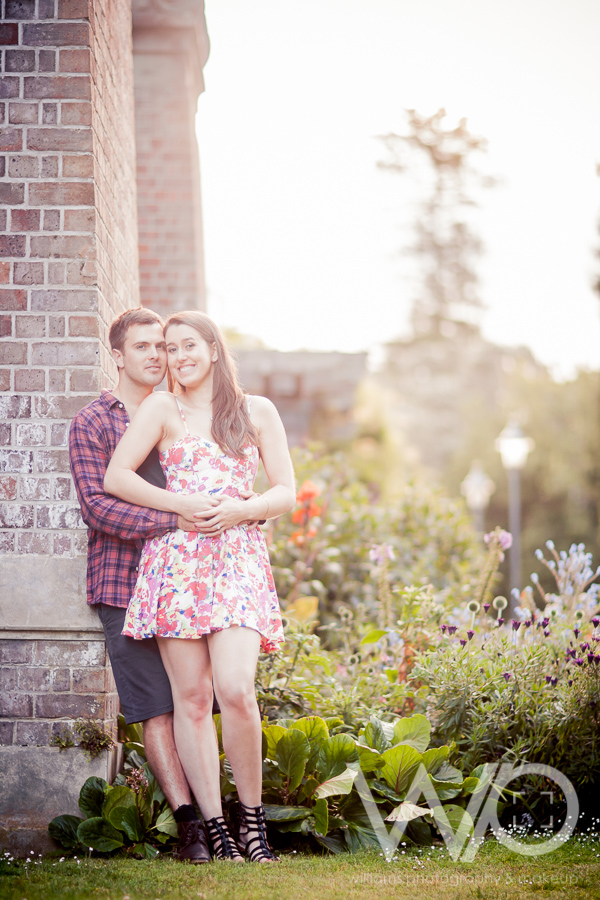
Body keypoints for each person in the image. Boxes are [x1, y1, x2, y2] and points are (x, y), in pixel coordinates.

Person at [69, 308, 263, 863]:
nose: (159, 356)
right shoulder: (95, 422)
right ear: (119, 355)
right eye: (145, 347)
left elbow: (222, 475)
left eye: (165, 346)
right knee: (160, 707)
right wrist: (176, 519)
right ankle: (193, 827)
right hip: (123, 580)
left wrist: (239, 508)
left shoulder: (184, 411)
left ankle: (233, 821)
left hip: (191, 575)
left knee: (215, 694)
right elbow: (98, 505)